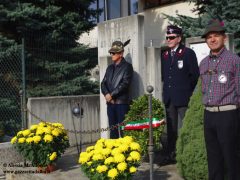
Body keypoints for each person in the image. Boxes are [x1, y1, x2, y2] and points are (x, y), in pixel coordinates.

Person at [199, 19, 240, 180]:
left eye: (216, 35)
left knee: (231, 158)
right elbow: (202, 89)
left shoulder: (234, 60)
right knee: (213, 159)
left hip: (228, 115)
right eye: (209, 37)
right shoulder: (203, 63)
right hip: (209, 115)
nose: (212, 39)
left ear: (224, 38)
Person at [161, 25, 199, 161]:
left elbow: (195, 76)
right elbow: (165, 76)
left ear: (179, 38)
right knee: (171, 129)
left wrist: (186, 90)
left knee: (188, 127)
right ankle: (171, 154)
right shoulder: (165, 55)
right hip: (170, 98)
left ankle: (190, 155)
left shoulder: (188, 53)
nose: (169, 40)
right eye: (167, 37)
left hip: (183, 98)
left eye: (171, 37)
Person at [101, 40, 133, 139]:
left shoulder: (127, 67)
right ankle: (114, 152)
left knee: (124, 131)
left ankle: (126, 153)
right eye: (111, 52)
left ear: (121, 53)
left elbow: (125, 84)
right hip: (110, 104)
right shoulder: (109, 68)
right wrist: (106, 94)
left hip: (121, 104)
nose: (112, 54)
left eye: (114, 53)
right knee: (113, 131)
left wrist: (112, 95)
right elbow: (103, 83)